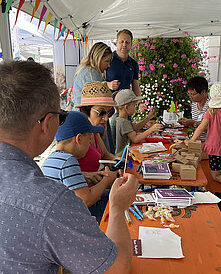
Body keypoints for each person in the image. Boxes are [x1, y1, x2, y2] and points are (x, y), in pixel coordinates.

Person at [0, 60, 138, 273]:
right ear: (47, 123)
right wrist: (118, 207)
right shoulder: (49, 202)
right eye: (60, 116)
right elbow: (116, 268)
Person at [41, 111, 117, 221]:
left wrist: (85, 178)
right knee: (117, 198)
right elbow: (86, 200)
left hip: (58, 216)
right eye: (90, 138)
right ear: (79, 139)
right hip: (70, 219)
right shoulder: (68, 161)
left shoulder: (51, 159)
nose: (90, 143)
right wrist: (107, 179)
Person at [72, 42, 119, 153]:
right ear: (98, 58)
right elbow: (99, 104)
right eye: (106, 61)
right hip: (89, 120)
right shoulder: (92, 73)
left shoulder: (86, 71)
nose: (108, 66)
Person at [106, 29, 147, 144]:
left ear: (131, 44)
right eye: (121, 41)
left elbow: (135, 86)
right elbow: (99, 81)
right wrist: (109, 84)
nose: (124, 44)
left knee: (126, 140)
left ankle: (125, 160)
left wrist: (139, 103)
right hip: (111, 108)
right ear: (116, 42)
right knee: (114, 140)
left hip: (127, 108)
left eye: (127, 42)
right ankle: (115, 160)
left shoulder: (133, 64)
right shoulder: (109, 60)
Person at [75, 81, 120, 184]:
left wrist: (119, 160)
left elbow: (105, 154)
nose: (106, 118)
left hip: (96, 189)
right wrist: (87, 175)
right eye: (101, 112)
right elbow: (62, 170)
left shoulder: (94, 131)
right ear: (86, 111)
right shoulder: (77, 135)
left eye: (109, 113)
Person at [114, 89, 163, 157]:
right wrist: (152, 129)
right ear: (127, 107)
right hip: (123, 158)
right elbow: (135, 139)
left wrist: (148, 118)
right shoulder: (123, 122)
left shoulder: (123, 120)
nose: (135, 108)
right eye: (134, 106)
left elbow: (135, 127)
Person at [178, 76, 209, 142]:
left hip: (209, 144)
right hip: (197, 142)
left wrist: (194, 122)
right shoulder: (194, 104)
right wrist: (187, 123)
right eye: (189, 94)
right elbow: (196, 127)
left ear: (203, 91)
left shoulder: (211, 106)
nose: (190, 97)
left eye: (193, 94)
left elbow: (213, 129)